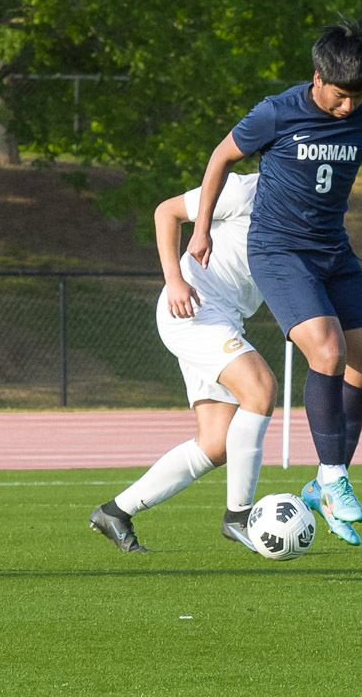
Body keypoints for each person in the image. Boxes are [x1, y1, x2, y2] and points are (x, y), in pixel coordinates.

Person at [186, 18, 362, 546]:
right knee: (327, 351)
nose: (348, 108)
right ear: (317, 77)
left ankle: (322, 484)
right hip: (278, 251)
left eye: (358, 98)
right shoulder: (276, 112)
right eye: (340, 97)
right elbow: (221, 157)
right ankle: (336, 475)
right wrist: (201, 229)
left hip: (334, 252)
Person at [89, 172, 276, 553]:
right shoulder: (242, 190)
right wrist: (173, 279)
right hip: (193, 310)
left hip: (226, 319)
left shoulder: (306, 209)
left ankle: (115, 512)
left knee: (217, 444)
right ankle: (238, 516)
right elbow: (166, 212)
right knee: (260, 388)